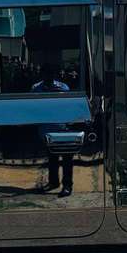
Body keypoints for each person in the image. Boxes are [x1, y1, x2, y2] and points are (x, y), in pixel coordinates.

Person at [32, 64, 73, 197]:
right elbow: (33, 107)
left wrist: (58, 93)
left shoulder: (63, 87)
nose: (48, 78)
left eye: (51, 75)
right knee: (52, 157)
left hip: (63, 128)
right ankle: (53, 182)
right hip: (47, 129)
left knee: (67, 158)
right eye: (46, 75)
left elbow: (67, 106)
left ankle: (67, 185)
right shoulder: (36, 88)